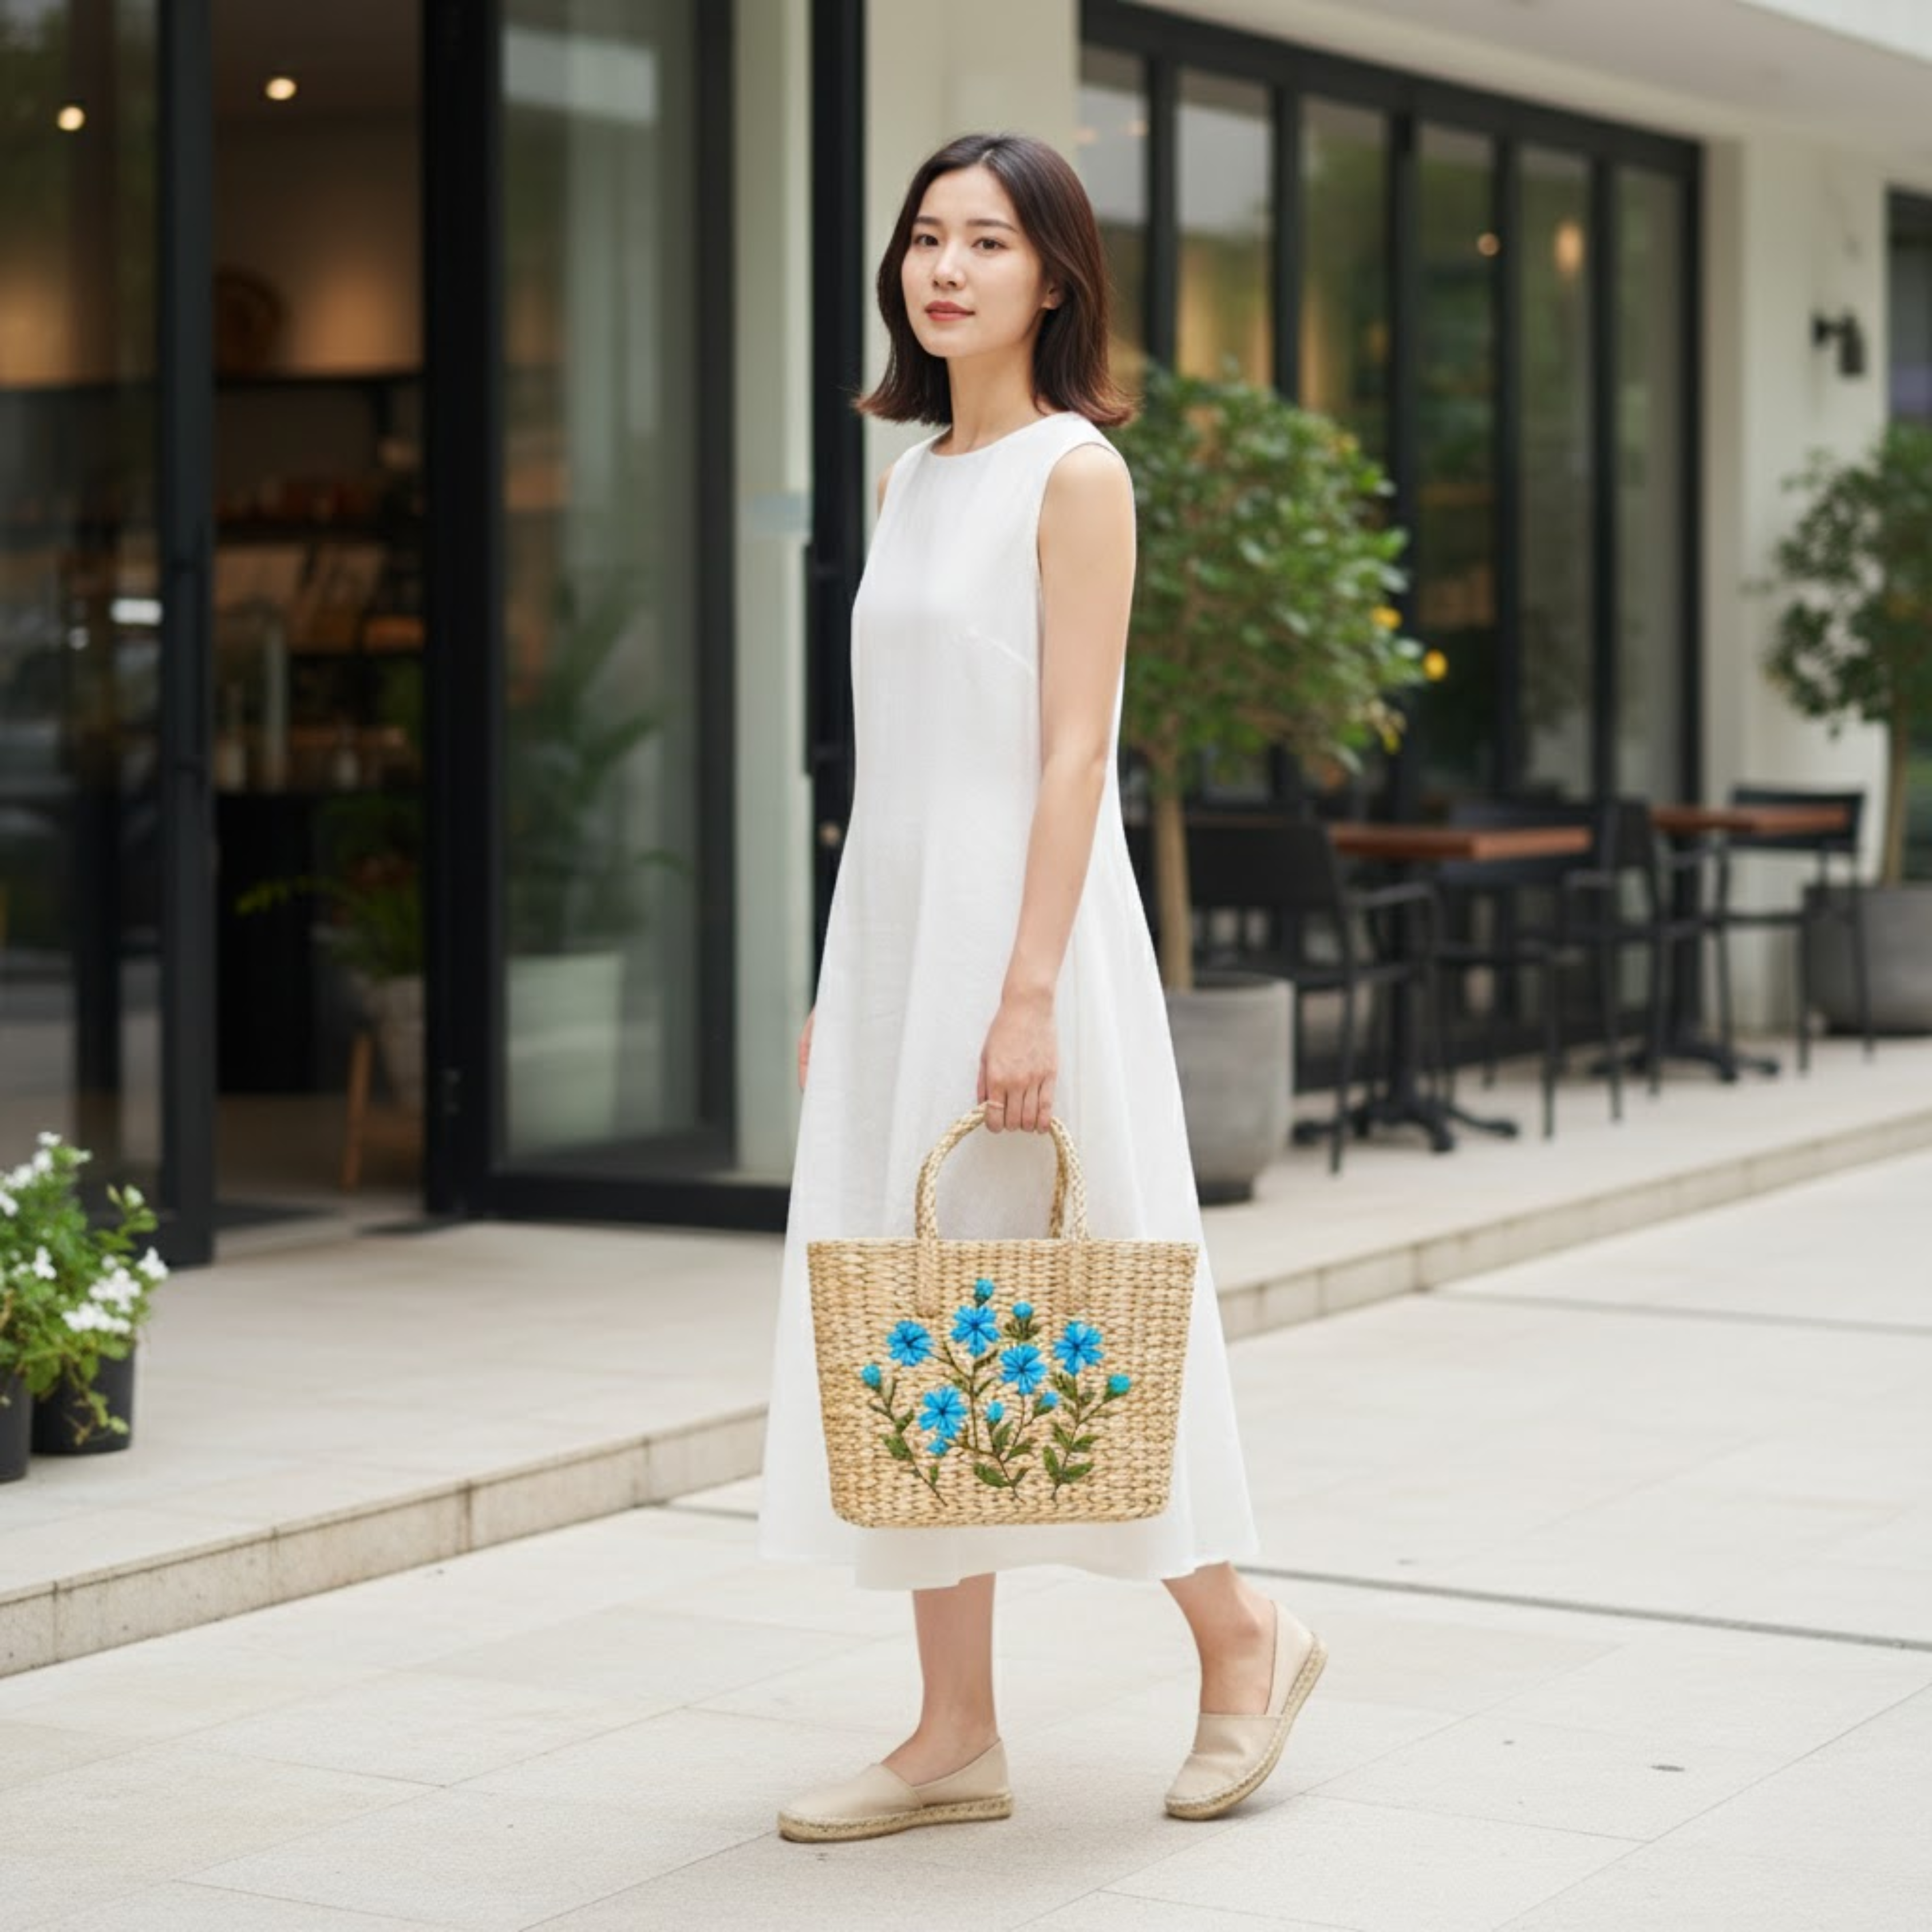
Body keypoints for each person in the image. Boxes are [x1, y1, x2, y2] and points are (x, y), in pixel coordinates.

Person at [757, 131, 1323, 1844]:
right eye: (925, 239)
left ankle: (1243, 1635)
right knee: (920, 1305)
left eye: (985, 242)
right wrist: (839, 977)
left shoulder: (1077, 472)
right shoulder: (912, 469)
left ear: (1054, 275)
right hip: (899, 928)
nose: (944, 269)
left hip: (1032, 938)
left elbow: (1071, 756)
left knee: (1085, 1288)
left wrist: (1020, 995)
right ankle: (952, 1730)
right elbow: (902, 755)